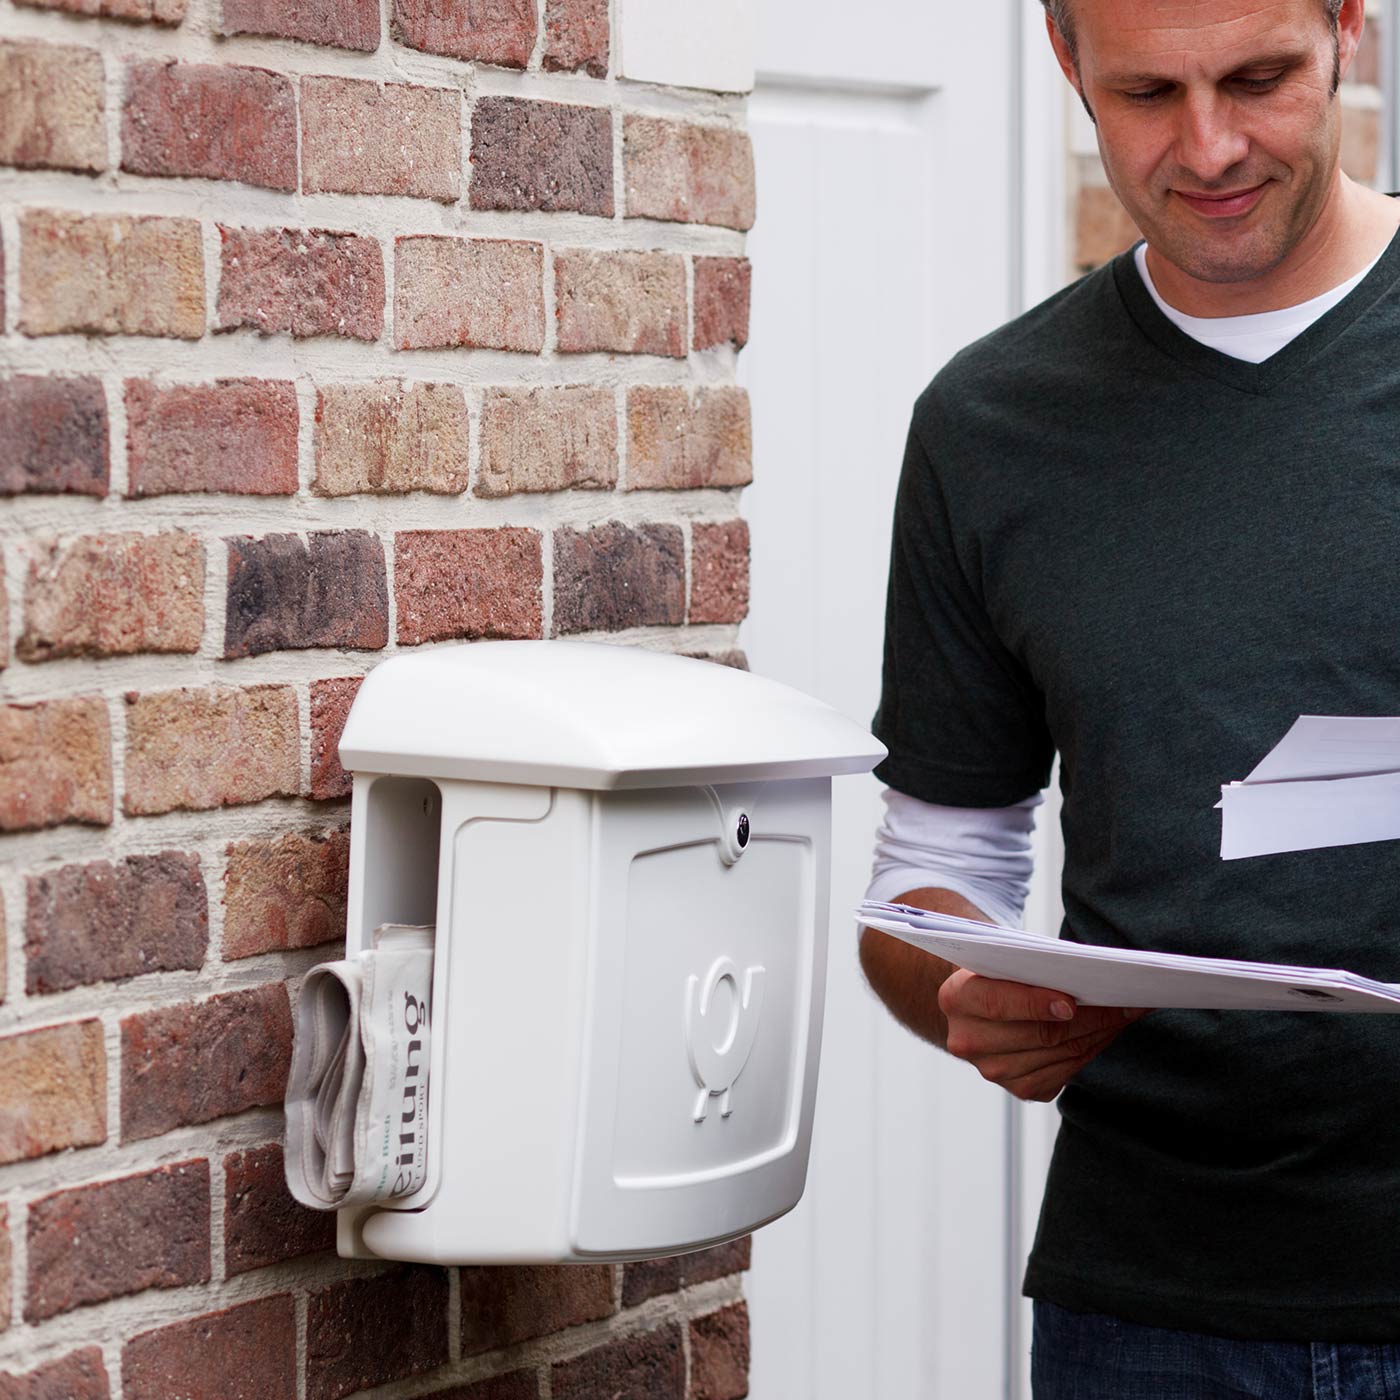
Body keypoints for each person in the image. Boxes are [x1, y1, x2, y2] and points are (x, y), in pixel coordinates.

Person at [857, 0, 1400, 1394]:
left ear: (1351, 28)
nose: (1208, 146)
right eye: (1148, 93)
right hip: (1157, 1310)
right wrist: (964, 990)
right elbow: (933, 871)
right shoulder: (990, 427)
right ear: (1067, 65)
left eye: (1261, 79)